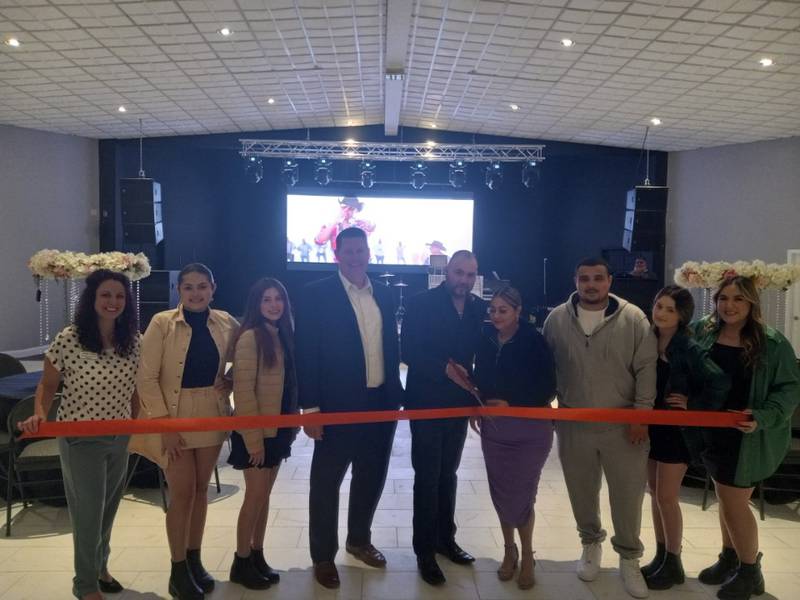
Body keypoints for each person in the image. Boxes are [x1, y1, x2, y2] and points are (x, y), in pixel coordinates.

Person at [19, 269, 140, 600]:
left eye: (119, 296)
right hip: (80, 438)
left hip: (120, 435)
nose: (113, 302)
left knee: (108, 509)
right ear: (92, 299)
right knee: (88, 513)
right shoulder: (68, 339)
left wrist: (138, 427)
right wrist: (40, 415)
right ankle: (84, 585)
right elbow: (46, 385)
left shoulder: (133, 340)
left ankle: (99, 568)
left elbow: (134, 392)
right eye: (106, 295)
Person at [294, 227, 404, 590]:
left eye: (362, 250)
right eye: (350, 251)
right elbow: (305, 353)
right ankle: (322, 556)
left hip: (381, 404)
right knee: (326, 482)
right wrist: (310, 407)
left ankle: (359, 540)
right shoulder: (315, 294)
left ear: (369, 253)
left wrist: (397, 393)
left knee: (371, 476)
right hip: (336, 406)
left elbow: (390, 347)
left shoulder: (384, 294)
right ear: (337, 254)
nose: (357, 256)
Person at [542, 257, 657, 599]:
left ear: (609, 281)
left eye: (597, 278)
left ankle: (629, 558)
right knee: (581, 490)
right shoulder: (557, 319)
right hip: (574, 423)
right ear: (575, 280)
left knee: (628, 494)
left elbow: (647, 369)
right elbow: (547, 368)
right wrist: (545, 407)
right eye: (584, 278)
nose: (591, 284)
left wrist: (641, 415)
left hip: (623, 425)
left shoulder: (634, 318)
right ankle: (590, 543)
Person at [132, 263, 238, 600]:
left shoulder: (225, 321)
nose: (196, 293)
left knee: (201, 491)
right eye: (189, 287)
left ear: (213, 288)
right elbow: (145, 378)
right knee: (182, 494)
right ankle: (177, 569)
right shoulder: (162, 323)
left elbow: (247, 357)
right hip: (172, 415)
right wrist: (164, 425)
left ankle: (194, 560)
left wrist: (232, 379)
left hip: (211, 412)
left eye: (202, 286)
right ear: (179, 290)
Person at [689, 276, 799, 600]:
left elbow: (789, 388)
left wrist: (762, 417)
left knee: (735, 504)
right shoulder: (704, 332)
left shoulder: (772, 343)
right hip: (712, 434)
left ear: (751, 303)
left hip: (746, 437)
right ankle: (730, 558)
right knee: (727, 499)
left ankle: (751, 571)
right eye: (723, 298)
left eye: (738, 299)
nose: (729, 305)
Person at [401, 250, 487, 586]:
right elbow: (407, 349)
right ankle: (424, 549)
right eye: (458, 273)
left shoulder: (480, 308)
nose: (463, 280)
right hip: (426, 402)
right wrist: (444, 369)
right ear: (446, 272)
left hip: (459, 404)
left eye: (470, 275)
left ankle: (445, 539)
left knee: (448, 474)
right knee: (427, 475)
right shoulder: (421, 303)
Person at [642, 285, 730, 590]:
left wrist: (693, 404)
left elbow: (719, 381)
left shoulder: (688, 347)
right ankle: (661, 554)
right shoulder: (647, 340)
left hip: (677, 432)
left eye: (669, 309)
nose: (661, 313)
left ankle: (674, 560)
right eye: (658, 306)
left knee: (667, 497)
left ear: (681, 316)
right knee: (654, 494)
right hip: (651, 426)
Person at [471, 286, 556, 590]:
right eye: (492, 310)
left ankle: (528, 555)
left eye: (503, 310)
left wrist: (512, 402)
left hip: (529, 429)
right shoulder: (485, 339)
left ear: (518, 311)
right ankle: (509, 550)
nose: (496, 315)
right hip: (495, 430)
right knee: (501, 491)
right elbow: (479, 377)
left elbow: (548, 386)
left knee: (523, 494)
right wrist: (476, 402)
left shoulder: (534, 340)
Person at [227, 278, 299, 590]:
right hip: (256, 433)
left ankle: (257, 554)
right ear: (256, 305)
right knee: (254, 497)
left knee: (264, 497)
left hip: (278, 429)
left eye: (278, 299)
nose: (273, 305)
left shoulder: (283, 334)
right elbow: (243, 393)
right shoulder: (250, 338)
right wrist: (253, 440)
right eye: (266, 300)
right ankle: (241, 561)